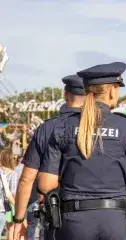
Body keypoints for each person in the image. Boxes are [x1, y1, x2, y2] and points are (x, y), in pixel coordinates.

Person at [26, 62, 126, 240]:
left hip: (73, 222)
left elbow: (46, 184)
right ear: (111, 90)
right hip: (115, 221)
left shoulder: (63, 127)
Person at [13, 75, 85, 239]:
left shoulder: (47, 128)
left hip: (56, 213)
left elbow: (26, 179)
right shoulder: (101, 128)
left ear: (65, 94)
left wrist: (19, 219)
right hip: (96, 215)